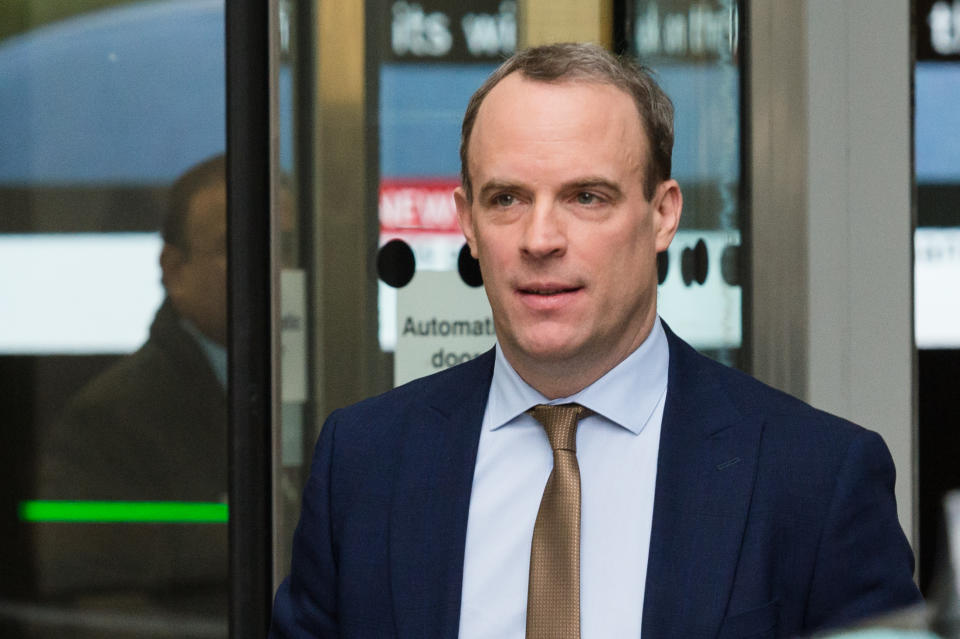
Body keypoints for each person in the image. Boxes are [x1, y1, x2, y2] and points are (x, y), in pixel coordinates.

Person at [270, 43, 921, 638]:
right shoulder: (365, 465)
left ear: (662, 214)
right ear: (467, 221)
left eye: (586, 196)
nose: (540, 238)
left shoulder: (814, 478)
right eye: (506, 199)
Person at [34, 154, 228, 608]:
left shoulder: (325, 391)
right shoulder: (106, 422)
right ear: (175, 271)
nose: (274, 268)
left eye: (287, 244)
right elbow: (106, 609)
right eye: (233, 246)